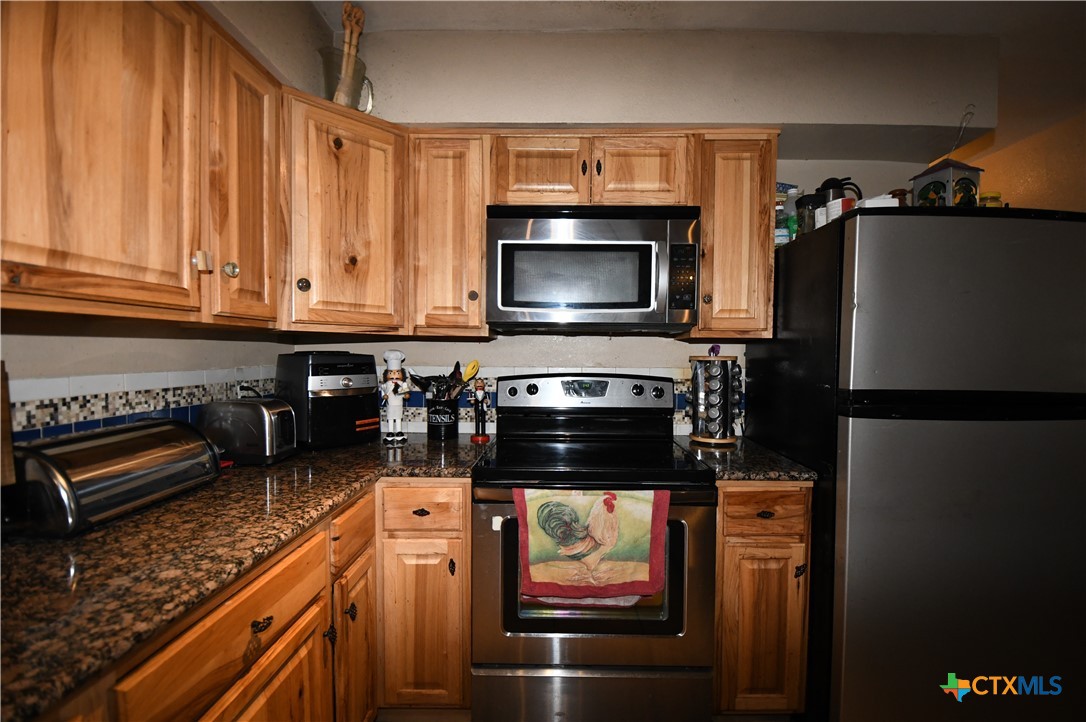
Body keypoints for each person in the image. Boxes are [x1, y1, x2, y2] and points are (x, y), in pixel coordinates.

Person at [381, 349, 410, 446]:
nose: (394, 375)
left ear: (402, 374)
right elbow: (383, 392)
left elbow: (406, 394)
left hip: (399, 405)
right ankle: (390, 432)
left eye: (397, 372)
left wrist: (406, 395)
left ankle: (398, 431)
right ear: (386, 374)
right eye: (391, 372)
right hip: (390, 405)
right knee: (390, 418)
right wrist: (384, 396)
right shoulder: (386, 385)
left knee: (398, 418)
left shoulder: (402, 384)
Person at [470, 377, 490, 444]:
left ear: (484, 385)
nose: (479, 383)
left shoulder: (486, 394)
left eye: (481, 382)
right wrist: (472, 401)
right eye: (477, 382)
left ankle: (483, 432)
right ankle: (477, 432)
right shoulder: (474, 393)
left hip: (483, 408)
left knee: (483, 421)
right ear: (475, 385)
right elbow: (472, 401)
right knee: (477, 421)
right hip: (477, 409)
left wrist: (487, 401)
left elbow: (489, 401)